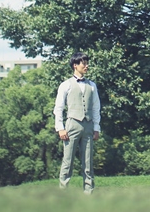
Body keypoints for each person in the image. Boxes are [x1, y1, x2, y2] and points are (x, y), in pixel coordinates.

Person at [53, 51, 101, 194]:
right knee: (68, 162)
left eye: (86, 63)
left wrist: (96, 127)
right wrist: (60, 128)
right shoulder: (65, 85)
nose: (86, 66)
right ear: (75, 65)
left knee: (88, 163)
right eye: (83, 63)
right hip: (72, 124)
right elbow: (58, 108)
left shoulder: (92, 85)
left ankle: (89, 193)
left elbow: (96, 107)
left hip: (88, 125)